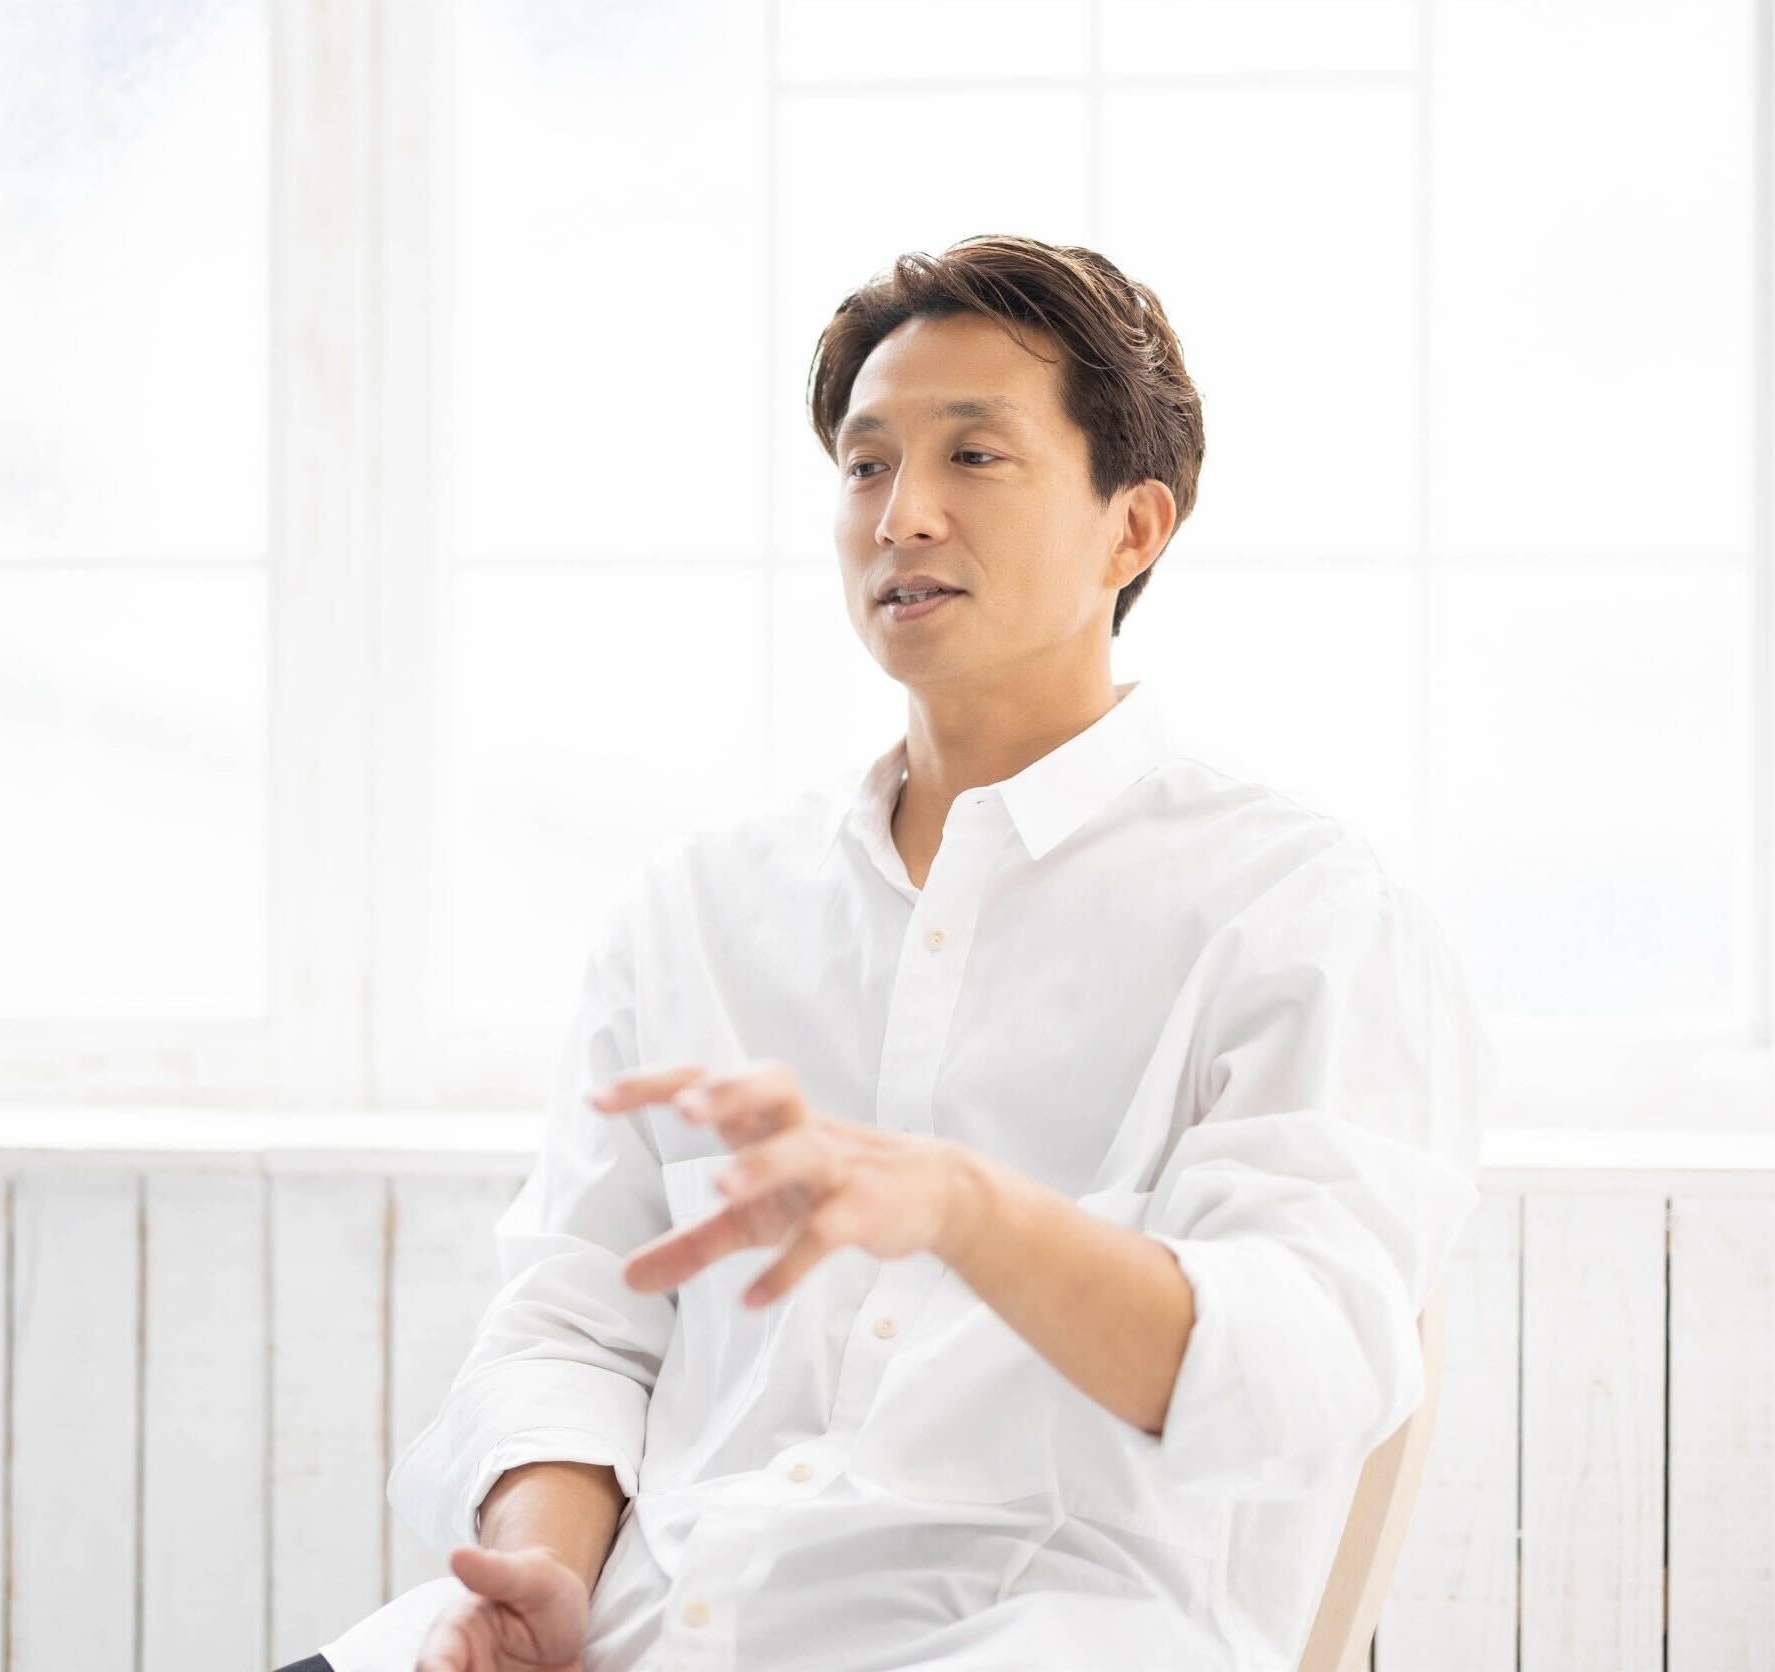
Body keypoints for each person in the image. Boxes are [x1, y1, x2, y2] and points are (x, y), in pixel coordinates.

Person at [276, 234, 1488, 1672]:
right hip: (642, 1626)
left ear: (1133, 530)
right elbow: (574, 1325)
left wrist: (969, 1210)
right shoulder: (698, 907)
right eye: (866, 466)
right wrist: (542, 1578)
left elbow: (1301, 1376)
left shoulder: (1305, 912)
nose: (902, 514)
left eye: (974, 455)